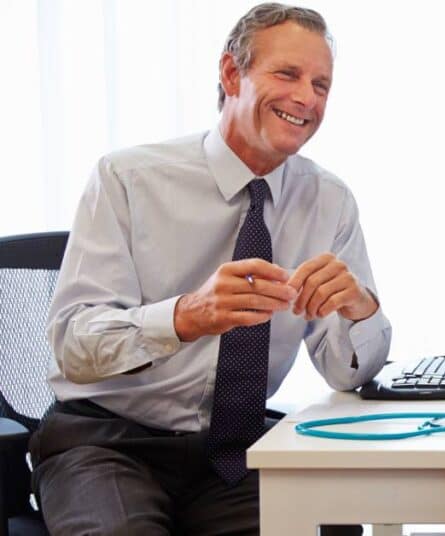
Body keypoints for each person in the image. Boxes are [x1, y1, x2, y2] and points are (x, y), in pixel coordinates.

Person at [32, 4, 388, 535]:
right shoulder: (127, 178)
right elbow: (72, 343)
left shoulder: (329, 201)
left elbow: (346, 371)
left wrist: (361, 310)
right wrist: (186, 317)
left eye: (321, 85)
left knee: (322, 526)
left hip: (238, 454)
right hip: (109, 443)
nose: (306, 98)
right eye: (287, 74)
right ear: (230, 73)